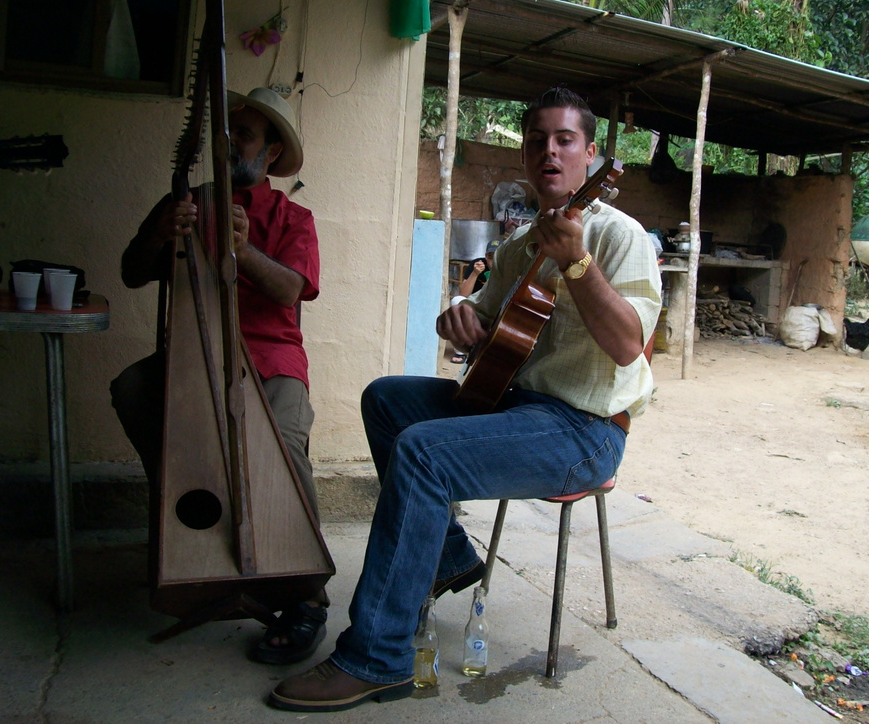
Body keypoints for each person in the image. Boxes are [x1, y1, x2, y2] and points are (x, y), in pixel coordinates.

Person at [268, 86, 661, 713]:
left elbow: (627, 347)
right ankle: (449, 558)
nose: (549, 152)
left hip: (584, 431)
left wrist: (579, 264)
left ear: (589, 154)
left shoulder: (620, 237)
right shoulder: (518, 246)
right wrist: (456, 321)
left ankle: (377, 658)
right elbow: (474, 319)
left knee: (423, 453)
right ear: (527, 158)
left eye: (564, 140)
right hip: (517, 410)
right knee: (387, 400)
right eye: (537, 141)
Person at [110, 87, 328, 665]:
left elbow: (290, 290)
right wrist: (162, 232)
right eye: (226, 131)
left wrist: (245, 251)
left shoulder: (292, 216)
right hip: (194, 357)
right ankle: (191, 541)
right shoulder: (186, 201)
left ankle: (307, 598)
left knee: (281, 447)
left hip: (268, 358)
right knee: (133, 389)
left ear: (273, 151)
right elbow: (133, 272)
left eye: (247, 135)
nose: (230, 143)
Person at [448, 243, 497, 363]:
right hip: (477, 306)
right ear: (486, 256)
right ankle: (461, 352)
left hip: (497, 307)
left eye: (497, 256)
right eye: (490, 257)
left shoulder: (507, 266)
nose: (493, 260)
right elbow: (463, 294)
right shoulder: (478, 264)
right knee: (456, 301)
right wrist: (475, 273)